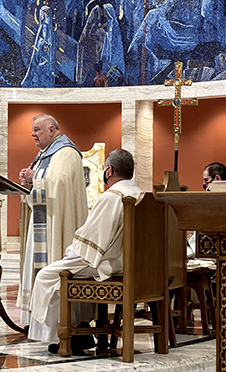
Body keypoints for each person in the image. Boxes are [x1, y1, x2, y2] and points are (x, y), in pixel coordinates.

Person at [28, 148, 142, 353]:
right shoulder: (139, 194)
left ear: (110, 170)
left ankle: (65, 336)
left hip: (109, 263)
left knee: (48, 276)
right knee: (66, 270)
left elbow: (93, 238)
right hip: (128, 262)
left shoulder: (113, 196)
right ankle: (81, 327)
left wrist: (71, 250)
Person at [18, 114, 88, 325]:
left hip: (57, 222)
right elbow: (47, 183)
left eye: (37, 129)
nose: (33, 134)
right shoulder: (45, 154)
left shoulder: (66, 152)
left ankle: (58, 325)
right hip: (42, 221)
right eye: (33, 130)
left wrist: (35, 177)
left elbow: (60, 184)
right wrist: (28, 183)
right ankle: (38, 324)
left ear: (51, 129)